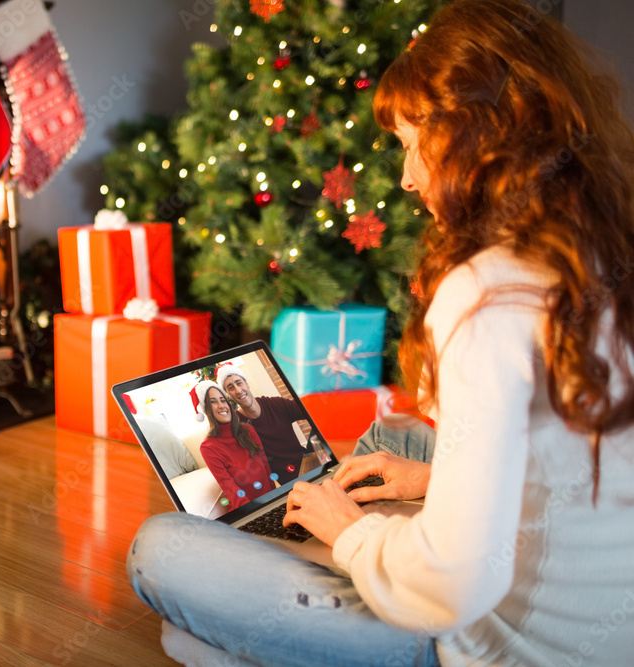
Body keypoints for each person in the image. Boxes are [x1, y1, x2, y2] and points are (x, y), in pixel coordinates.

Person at [126, 1, 634, 665]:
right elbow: (559, 458)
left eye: (411, 145)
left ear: (470, 135)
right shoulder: (597, 247)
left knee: (162, 548)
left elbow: (454, 583)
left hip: (495, 639)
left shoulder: (487, 290)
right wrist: (427, 480)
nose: (406, 176)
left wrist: (351, 532)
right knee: (392, 443)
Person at [216, 363, 310, 483]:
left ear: (247, 383)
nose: (238, 390)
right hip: (289, 481)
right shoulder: (236, 424)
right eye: (230, 388)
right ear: (228, 395)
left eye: (239, 383)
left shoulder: (274, 404)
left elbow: (309, 410)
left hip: (307, 464)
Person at [194, 380, 275, 510]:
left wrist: (275, 497)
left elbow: (265, 466)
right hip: (246, 508)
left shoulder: (248, 430)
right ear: (207, 410)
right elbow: (228, 485)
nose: (221, 405)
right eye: (213, 402)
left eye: (223, 400)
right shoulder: (208, 448)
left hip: (269, 501)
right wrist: (251, 512)